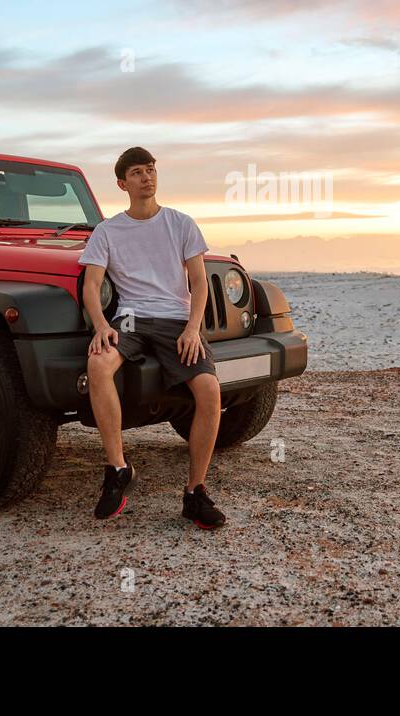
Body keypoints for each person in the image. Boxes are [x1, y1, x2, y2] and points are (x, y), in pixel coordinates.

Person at [77, 147, 227, 529]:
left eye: (151, 170)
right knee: (98, 365)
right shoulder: (108, 230)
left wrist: (194, 328)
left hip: (176, 320)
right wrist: (100, 325)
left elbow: (198, 283)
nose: (147, 177)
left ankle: (195, 492)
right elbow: (91, 286)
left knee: (209, 389)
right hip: (129, 321)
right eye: (138, 172)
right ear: (122, 183)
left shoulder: (180, 223)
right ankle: (117, 468)